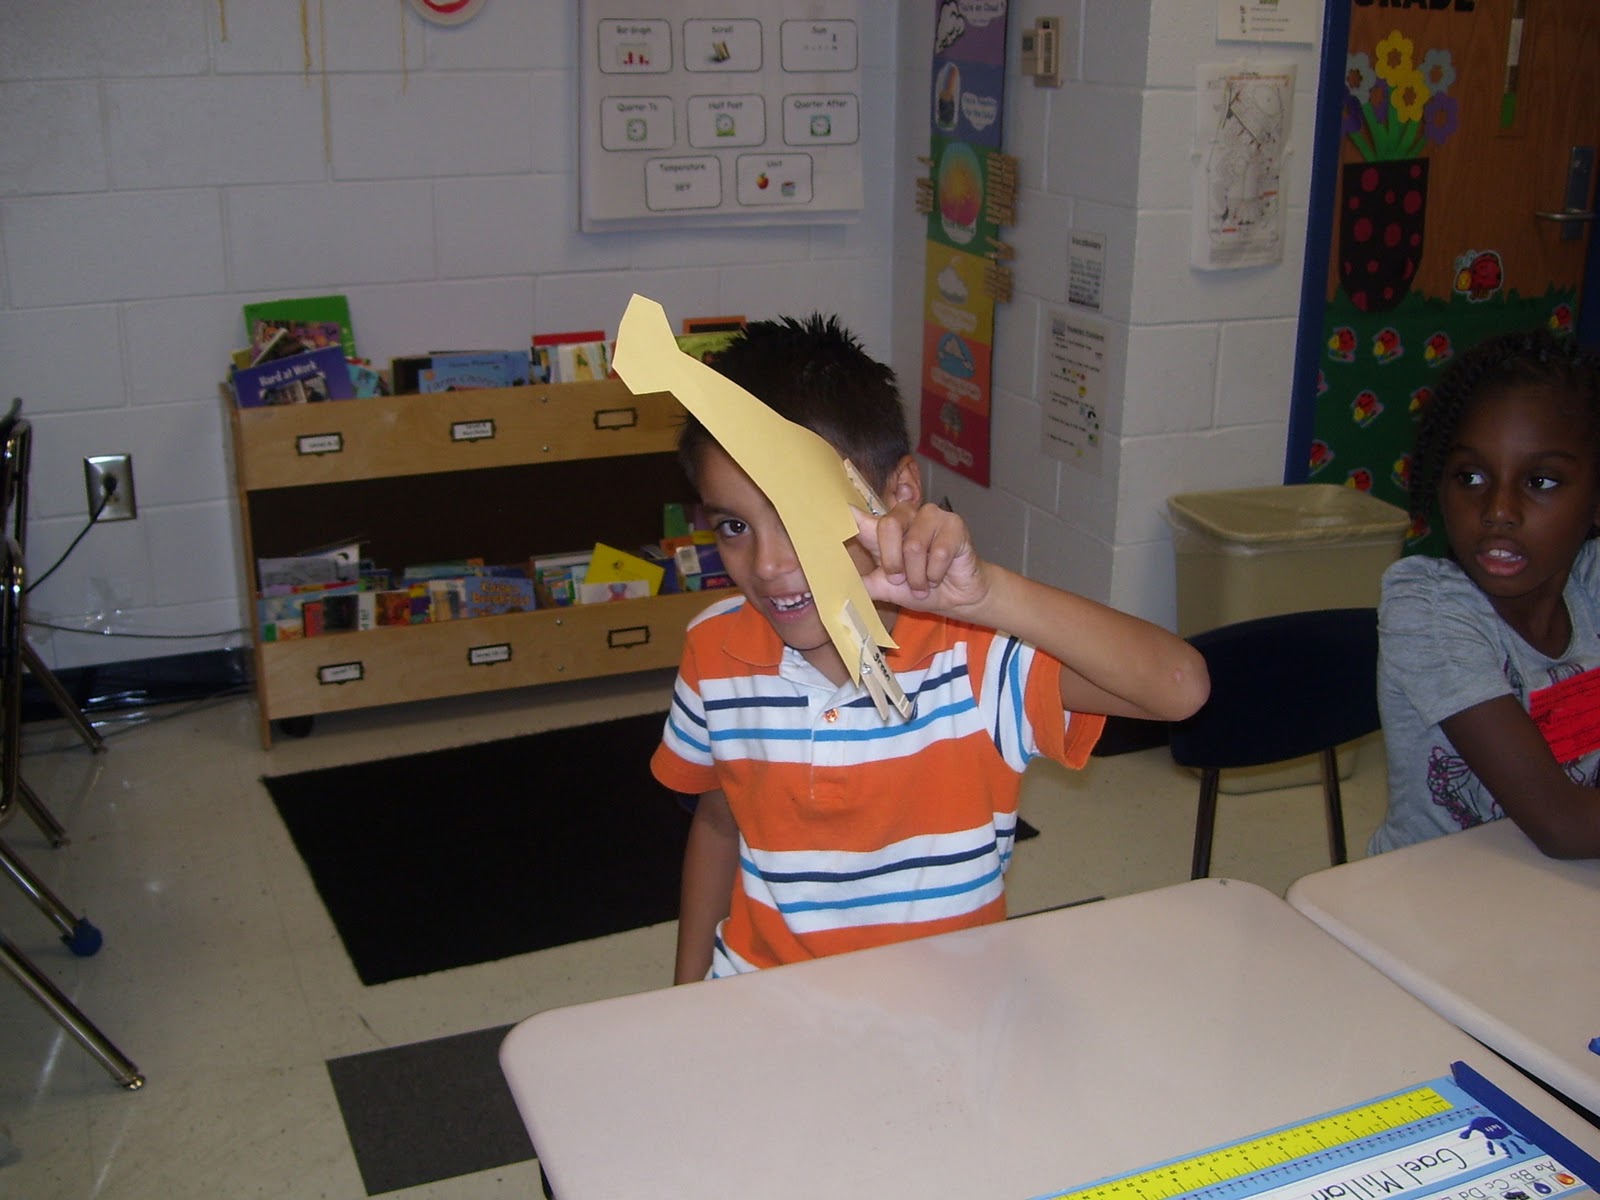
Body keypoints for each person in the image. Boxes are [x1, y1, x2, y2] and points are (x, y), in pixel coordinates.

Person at [652, 314, 1211, 982]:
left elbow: (1181, 687)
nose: (769, 565)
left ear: (900, 493)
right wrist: (685, 994)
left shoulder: (974, 655)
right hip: (762, 995)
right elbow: (718, 821)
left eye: (802, 515)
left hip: (944, 1008)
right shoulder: (715, 649)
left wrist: (988, 598)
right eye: (735, 525)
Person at [1370, 327, 1600, 859]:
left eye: (1541, 481)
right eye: (1470, 477)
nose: (1498, 510)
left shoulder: (1589, 582)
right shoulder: (1427, 610)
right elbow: (1562, 825)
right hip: (1427, 901)